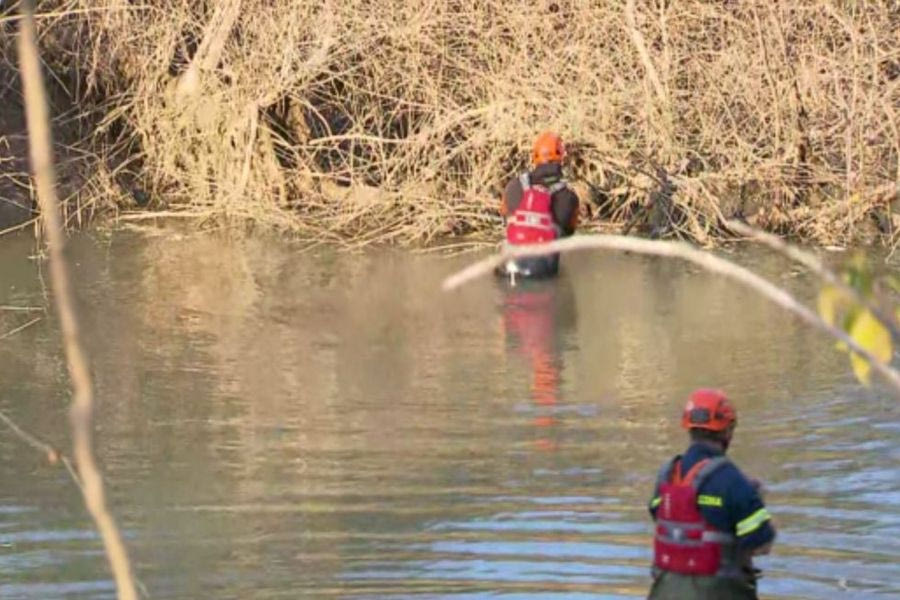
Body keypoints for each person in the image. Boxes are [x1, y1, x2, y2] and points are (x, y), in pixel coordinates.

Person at [647, 389, 776, 600]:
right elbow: (762, 543)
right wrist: (753, 500)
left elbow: (659, 514)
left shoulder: (666, 474)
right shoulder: (732, 480)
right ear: (727, 431)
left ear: (689, 428)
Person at [498, 131, 580, 281]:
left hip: (509, 267)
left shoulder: (513, 186)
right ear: (562, 157)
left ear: (534, 157)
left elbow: (504, 216)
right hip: (541, 272)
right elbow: (568, 233)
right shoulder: (569, 198)